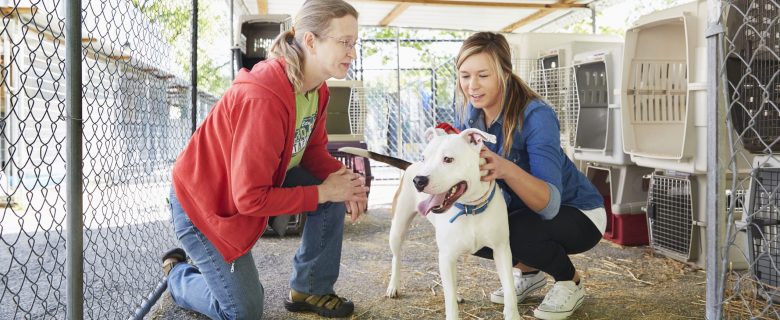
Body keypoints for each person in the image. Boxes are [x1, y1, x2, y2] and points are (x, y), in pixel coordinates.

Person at [160, 1, 368, 319]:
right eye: (344, 42)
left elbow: (311, 151)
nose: (352, 53)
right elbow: (249, 198)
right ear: (310, 41)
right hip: (204, 206)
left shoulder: (318, 90)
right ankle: (178, 277)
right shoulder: (265, 97)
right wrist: (325, 192)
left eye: (353, 43)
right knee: (243, 312)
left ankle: (309, 288)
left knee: (334, 188)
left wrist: (347, 182)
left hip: (250, 187)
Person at [454, 32, 607, 320]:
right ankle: (529, 270)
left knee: (515, 229)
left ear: (505, 74)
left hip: (579, 213)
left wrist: (505, 168)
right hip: (527, 213)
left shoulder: (536, 115)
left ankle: (569, 282)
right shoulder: (470, 114)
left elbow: (549, 205)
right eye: (465, 76)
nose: (472, 86)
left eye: (483, 75)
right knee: (468, 225)